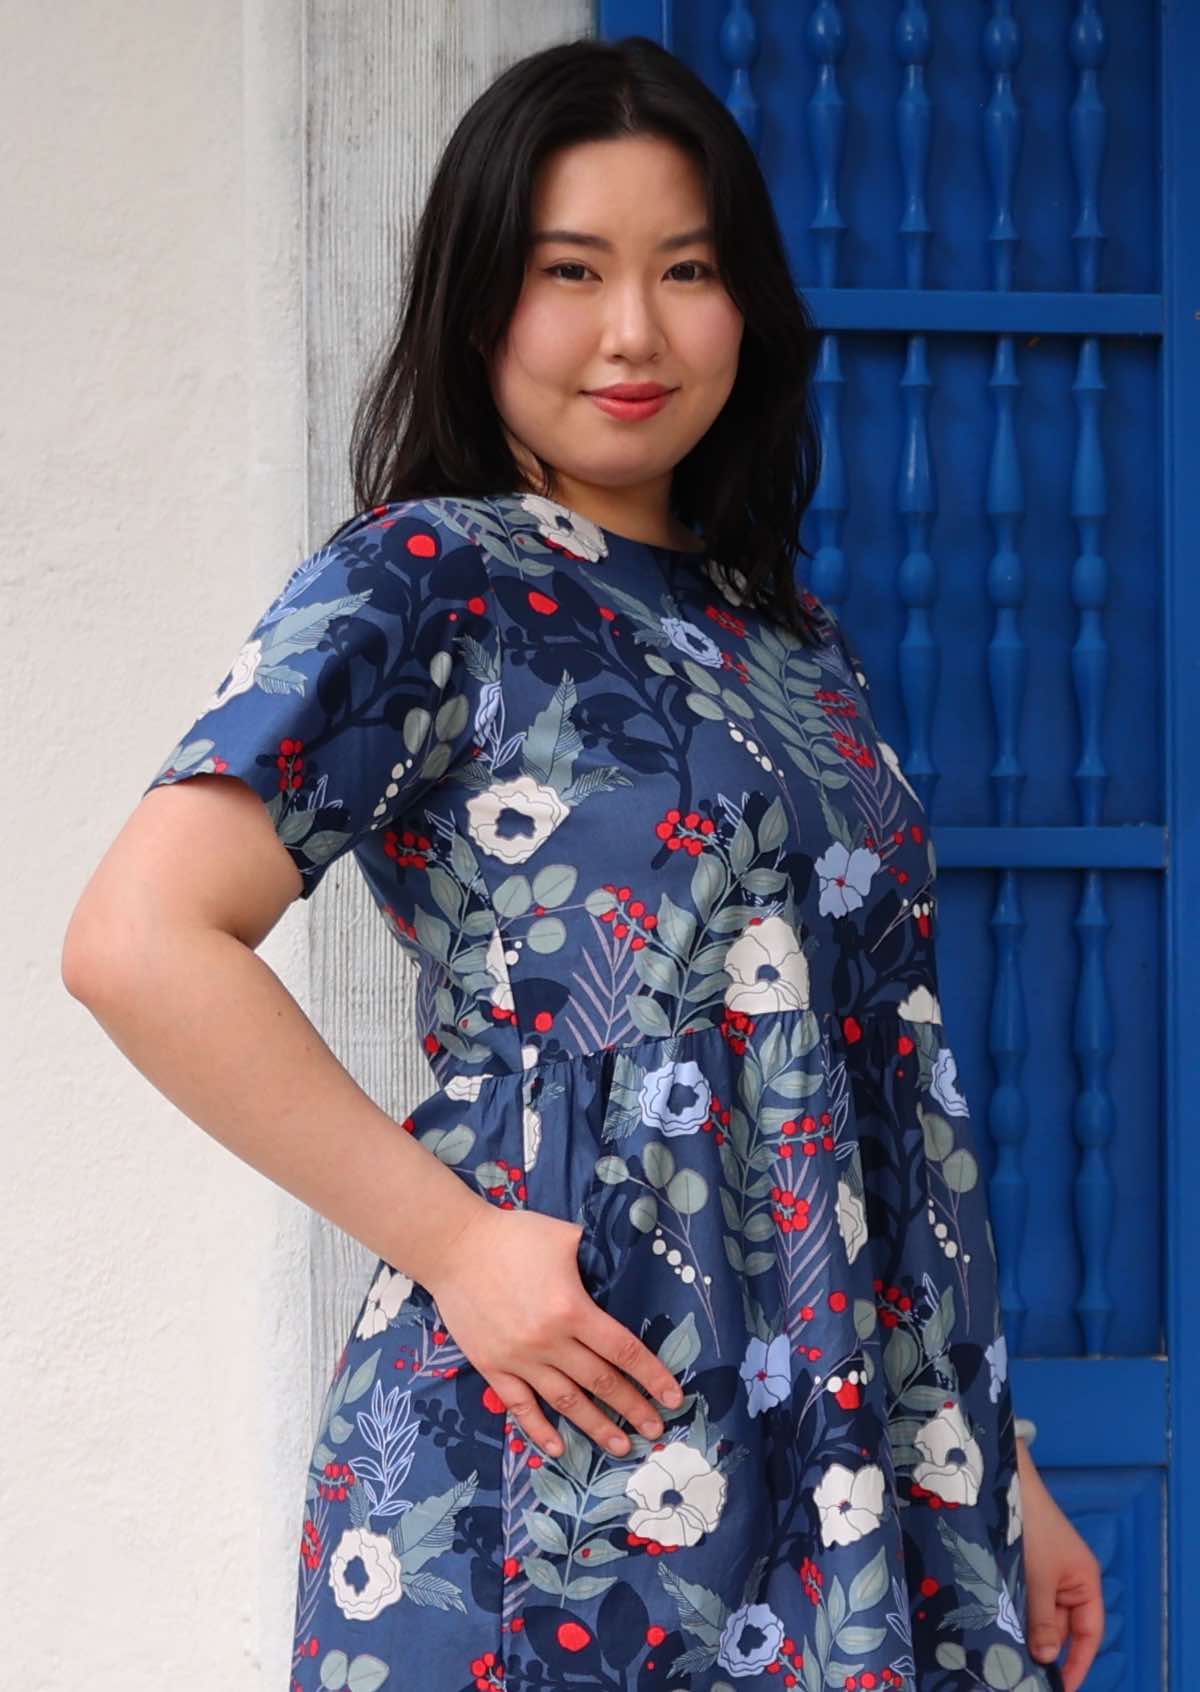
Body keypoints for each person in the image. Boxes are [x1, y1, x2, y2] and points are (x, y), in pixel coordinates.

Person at [62, 33, 1104, 1692]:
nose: (633, 332)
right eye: (571, 273)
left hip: (852, 1456)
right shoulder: (426, 578)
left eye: (686, 270)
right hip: (578, 1432)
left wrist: (1001, 1461)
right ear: (483, 308)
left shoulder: (790, 638)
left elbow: (870, 1083)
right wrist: (461, 1247)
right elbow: (139, 938)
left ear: (745, 306)